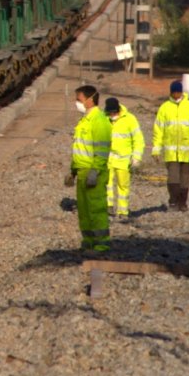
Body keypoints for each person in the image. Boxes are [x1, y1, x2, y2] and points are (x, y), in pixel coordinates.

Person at [68, 85, 112, 251]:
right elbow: (79, 148)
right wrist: (73, 170)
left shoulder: (99, 121)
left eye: (78, 99)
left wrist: (95, 170)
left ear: (89, 100)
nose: (76, 103)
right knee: (84, 210)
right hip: (82, 170)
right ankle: (88, 241)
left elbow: (102, 149)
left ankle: (102, 243)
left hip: (93, 171)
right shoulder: (84, 121)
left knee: (96, 208)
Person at [152, 80, 189, 212]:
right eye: (173, 92)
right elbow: (158, 130)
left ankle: (183, 203)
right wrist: (156, 149)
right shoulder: (164, 108)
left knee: (185, 179)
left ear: (181, 92)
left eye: (178, 92)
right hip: (171, 152)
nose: (176, 95)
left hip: (188, 153)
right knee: (173, 178)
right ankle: (173, 202)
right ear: (170, 92)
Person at [105, 97, 145, 220]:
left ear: (118, 110)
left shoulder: (130, 119)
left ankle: (123, 211)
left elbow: (138, 140)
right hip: (107, 158)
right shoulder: (104, 118)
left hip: (123, 160)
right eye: (110, 113)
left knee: (123, 186)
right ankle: (108, 206)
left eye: (114, 112)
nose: (112, 115)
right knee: (106, 184)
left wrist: (136, 158)